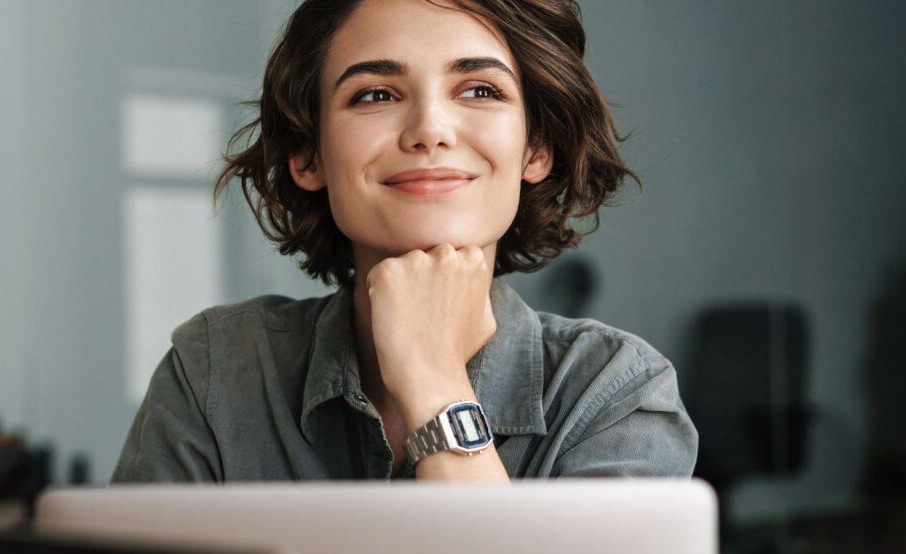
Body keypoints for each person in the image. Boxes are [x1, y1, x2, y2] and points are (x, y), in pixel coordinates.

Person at [111, 0, 697, 483]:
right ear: (308, 155)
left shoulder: (617, 395)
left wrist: (433, 380)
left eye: (480, 90)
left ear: (535, 148)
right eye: (375, 95)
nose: (429, 131)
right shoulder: (213, 372)